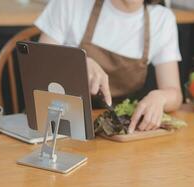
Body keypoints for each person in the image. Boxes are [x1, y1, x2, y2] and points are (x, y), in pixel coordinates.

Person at [35, 0, 183, 132]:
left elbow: (175, 94)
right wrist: (76, 63)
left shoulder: (162, 20)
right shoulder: (71, 4)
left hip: (112, 132)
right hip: (58, 124)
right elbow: (38, 64)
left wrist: (160, 97)